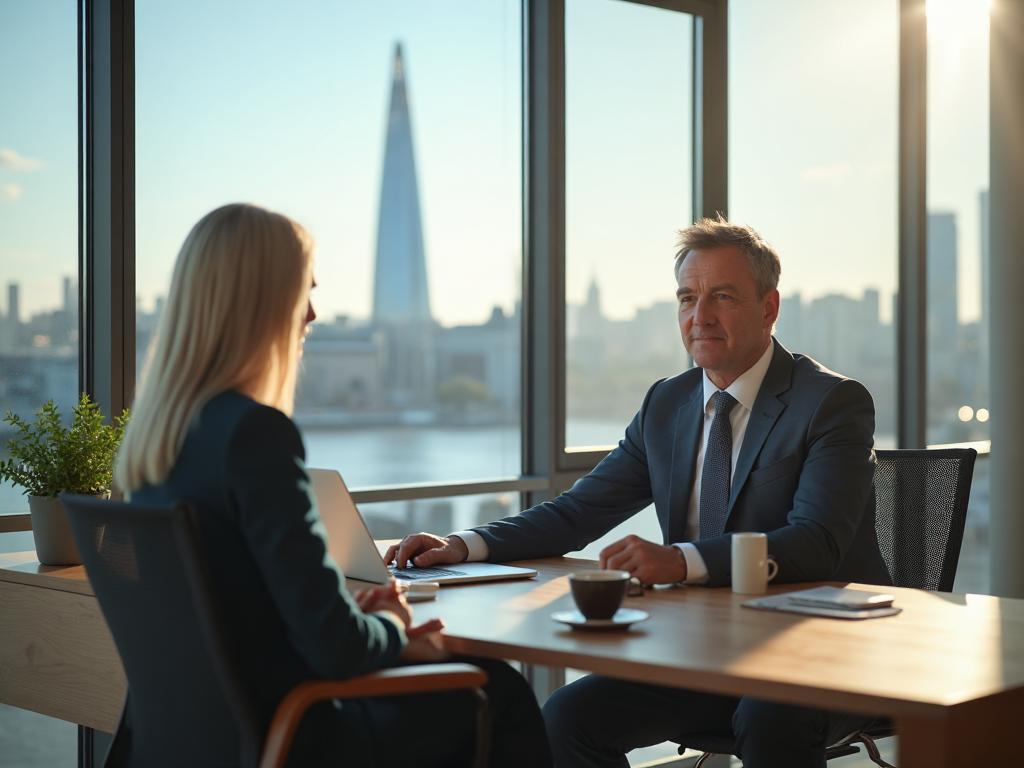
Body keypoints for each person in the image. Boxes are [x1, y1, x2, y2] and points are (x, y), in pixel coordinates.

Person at [386, 217, 891, 768]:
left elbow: (815, 542)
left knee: (767, 718)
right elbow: (576, 513)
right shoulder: (666, 405)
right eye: (687, 298)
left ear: (769, 308)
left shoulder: (831, 402)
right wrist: (465, 546)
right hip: (707, 648)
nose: (700, 316)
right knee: (568, 715)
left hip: (817, 651)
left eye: (722, 297)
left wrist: (679, 561)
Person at [115, 203, 551, 768]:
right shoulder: (254, 434)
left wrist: (358, 620)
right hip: (298, 728)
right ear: (260, 302)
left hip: (200, 737)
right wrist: (391, 625)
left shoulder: (160, 440)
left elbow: (253, 609)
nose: (314, 314)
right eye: (304, 293)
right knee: (498, 691)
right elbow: (335, 648)